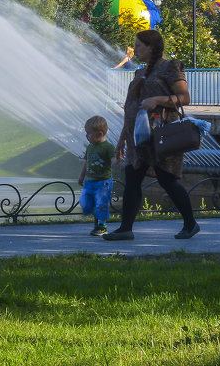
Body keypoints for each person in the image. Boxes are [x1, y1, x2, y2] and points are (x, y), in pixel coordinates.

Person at [104, 29, 201, 241]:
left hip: (161, 134)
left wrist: (157, 100)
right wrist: (121, 140)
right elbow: (133, 109)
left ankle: (190, 223)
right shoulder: (140, 72)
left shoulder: (170, 67)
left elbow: (184, 98)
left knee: (167, 180)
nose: (135, 49)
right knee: (132, 179)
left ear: (152, 47)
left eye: (139, 45)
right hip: (138, 136)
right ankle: (125, 229)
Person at [78, 115, 116, 236]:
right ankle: (97, 217)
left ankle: (101, 226)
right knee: (85, 201)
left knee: (102, 203)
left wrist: (118, 159)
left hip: (103, 181)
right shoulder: (90, 147)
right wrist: (81, 176)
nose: (86, 136)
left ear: (99, 134)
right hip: (90, 181)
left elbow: (114, 161)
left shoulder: (108, 147)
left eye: (88, 133)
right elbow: (85, 162)